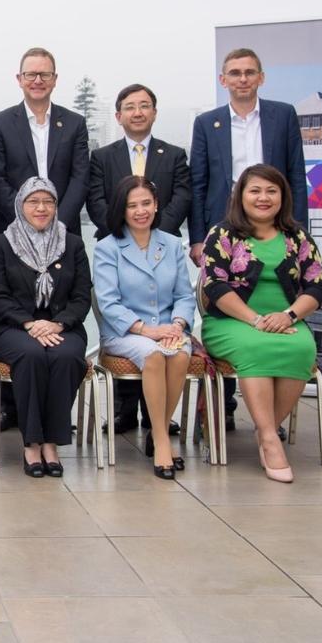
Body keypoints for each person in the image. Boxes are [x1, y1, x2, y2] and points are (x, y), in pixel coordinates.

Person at [190, 48, 308, 430]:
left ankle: (267, 419)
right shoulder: (208, 123)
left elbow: (295, 174)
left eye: (249, 72)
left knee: (273, 300)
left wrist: (296, 234)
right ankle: (221, 407)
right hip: (223, 232)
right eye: (234, 73)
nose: (242, 79)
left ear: (261, 77)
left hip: (273, 226)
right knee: (223, 307)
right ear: (223, 80)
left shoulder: (282, 116)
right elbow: (198, 183)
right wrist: (197, 237)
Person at [199, 164, 322, 483]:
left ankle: (264, 429)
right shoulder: (223, 234)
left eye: (271, 191)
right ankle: (270, 440)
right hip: (231, 321)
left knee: (302, 347)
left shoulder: (297, 237)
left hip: (286, 320)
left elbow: (316, 286)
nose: (263, 198)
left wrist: (289, 316)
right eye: (255, 190)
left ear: (283, 197)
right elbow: (214, 285)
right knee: (256, 346)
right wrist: (254, 319)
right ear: (241, 195)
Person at [86, 83, 190, 435]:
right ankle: (126, 411)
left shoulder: (173, 154)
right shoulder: (103, 156)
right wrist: (121, 230)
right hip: (118, 245)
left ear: (154, 112)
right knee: (143, 346)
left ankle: (159, 420)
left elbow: (181, 195)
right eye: (130, 107)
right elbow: (97, 201)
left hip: (160, 244)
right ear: (119, 115)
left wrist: (159, 232)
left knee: (172, 352)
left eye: (145, 106)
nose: (138, 112)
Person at [0, 177, 91, 478]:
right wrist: (30, 323)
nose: (41, 208)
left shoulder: (71, 243)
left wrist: (57, 324)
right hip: (12, 326)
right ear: (21, 205)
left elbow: (82, 297)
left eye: (48, 202)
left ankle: (51, 442)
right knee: (31, 355)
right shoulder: (2, 243)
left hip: (62, 326)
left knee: (67, 357)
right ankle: (31, 442)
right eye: (33, 201)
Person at [92, 176, 195, 480]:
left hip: (169, 328)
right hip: (124, 333)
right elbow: (108, 303)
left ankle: (157, 429)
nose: (140, 211)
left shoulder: (173, 244)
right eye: (132, 205)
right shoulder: (107, 247)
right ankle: (162, 439)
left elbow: (184, 295)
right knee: (153, 355)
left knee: (178, 355)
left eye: (146, 203)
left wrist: (177, 324)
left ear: (156, 204)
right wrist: (147, 331)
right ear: (121, 210)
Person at [0, 47, 89, 233]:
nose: (38, 81)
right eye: (31, 75)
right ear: (19, 79)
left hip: (64, 232)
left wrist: (59, 223)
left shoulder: (75, 124)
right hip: (14, 231)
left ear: (55, 79)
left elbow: (80, 178)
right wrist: (27, 220)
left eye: (45, 74)